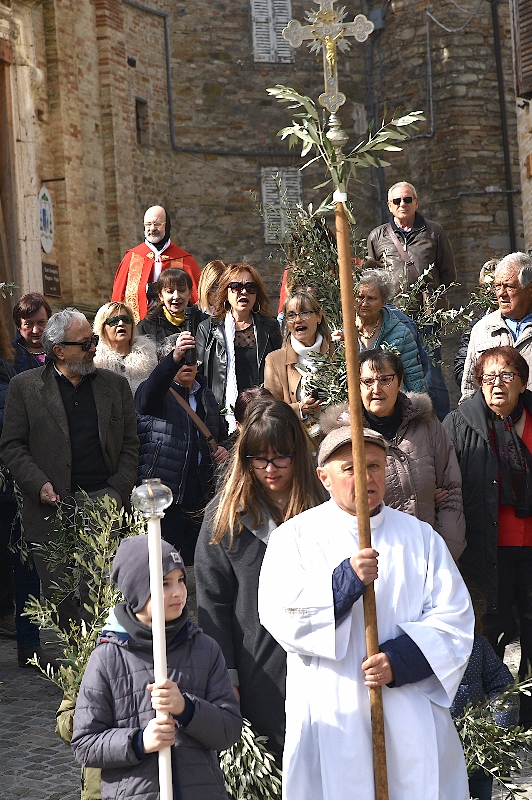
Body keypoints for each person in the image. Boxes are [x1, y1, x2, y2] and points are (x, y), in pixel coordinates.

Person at [258, 423, 474, 800]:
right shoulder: (294, 538)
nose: (366, 477)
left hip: (409, 712)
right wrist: (344, 583)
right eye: (351, 468)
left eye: (374, 466)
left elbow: (454, 620)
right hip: (332, 709)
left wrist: (400, 660)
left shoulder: (420, 538)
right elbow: (280, 614)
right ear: (324, 477)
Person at [195, 400, 327, 761]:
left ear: (298, 454)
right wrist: (226, 677)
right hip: (257, 667)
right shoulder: (226, 516)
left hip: (321, 662)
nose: (270, 469)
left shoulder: (325, 506)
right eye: (259, 459)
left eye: (281, 458)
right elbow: (212, 604)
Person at [71, 535, 242, 800]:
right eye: (164, 583)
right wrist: (139, 742)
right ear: (138, 591)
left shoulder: (205, 649)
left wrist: (186, 709)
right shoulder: (108, 658)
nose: (179, 592)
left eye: (181, 580)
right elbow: (85, 744)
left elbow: (229, 730)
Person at [0, 308, 139, 629]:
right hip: (51, 508)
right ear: (59, 350)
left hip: (102, 502)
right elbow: (12, 446)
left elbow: (131, 444)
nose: (93, 348)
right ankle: (75, 650)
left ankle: (99, 652)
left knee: (100, 595)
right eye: (85, 343)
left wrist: (116, 491)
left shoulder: (115, 387)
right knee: (59, 596)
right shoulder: (25, 387)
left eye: (93, 340)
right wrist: (38, 484)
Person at [444, 345, 532, 728]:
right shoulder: (459, 424)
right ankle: (494, 725)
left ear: (523, 382)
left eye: (507, 375)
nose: (497, 383)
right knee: (490, 636)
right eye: (488, 376)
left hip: (530, 551)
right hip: (485, 551)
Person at [357, 348, 466, 560]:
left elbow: (451, 492)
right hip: (379, 563)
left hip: (431, 554)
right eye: (367, 382)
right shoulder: (347, 438)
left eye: (385, 379)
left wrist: (443, 553)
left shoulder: (426, 424)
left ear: (400, 382)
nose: (376, 389)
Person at [135, 335, 229, 565]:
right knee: (163, 565)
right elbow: (147, 397)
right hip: (164, 495)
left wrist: (224, 449)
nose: (187, 364)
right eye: (180, 359)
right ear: (165, 363)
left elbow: (222, 435)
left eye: (191, 358)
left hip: (201, 495)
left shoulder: (206, 395)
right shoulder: (154, 391)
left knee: (198, 563)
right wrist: (173, 358)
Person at [367, 181, 456, 420]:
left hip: (427, 318)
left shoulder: (435, 232)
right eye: (397, 201)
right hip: (392, 319)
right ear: (389, 205)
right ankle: (402, 423)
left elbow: (448, 275)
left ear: (416, 202)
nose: (402, 204)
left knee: (432, 376)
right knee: (392, 373)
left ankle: (441, 426)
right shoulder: (377, 236)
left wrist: (434, 300)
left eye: (407, 199)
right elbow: (372, 278)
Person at [196, 263, 282, 432]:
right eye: (236, 286)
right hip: (220, 418)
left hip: (262, 417)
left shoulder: (270, 327)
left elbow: (280, 371)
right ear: (225, 292)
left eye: (250, 287)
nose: (244, 292)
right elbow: (199, 377)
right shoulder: (207, 329)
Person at [450, 589, 518, 800]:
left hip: (476, 746)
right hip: (438, 748)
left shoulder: (477, 646)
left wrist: (497, 729)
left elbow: (503, 685)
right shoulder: (418, 652)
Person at [460, 252, 532, 401]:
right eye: (497, 286)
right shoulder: (482, 329)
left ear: (530, 290)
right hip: (493, 416)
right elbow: (469, 389)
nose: (501, 293)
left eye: (509, 287)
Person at [112, 205, 200, 324]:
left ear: (167, 226)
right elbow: (118, 298)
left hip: (176, 327)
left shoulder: (184, 260)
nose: (152, 228)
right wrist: (146, 290)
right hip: (139, 327)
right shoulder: (131, 258)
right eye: (148, 224)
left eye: (157, 224)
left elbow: (196, 299)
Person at [264, 290, 335, 433]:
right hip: (297, 441)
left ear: (319, 316)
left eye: (304, 313)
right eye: (291, 315)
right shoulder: (275, 361)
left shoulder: (338, 353)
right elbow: (270, 410)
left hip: (334, 439)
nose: (297, 320)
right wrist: (300, 408)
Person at [355, 268, 427, 393]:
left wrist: (419, 405)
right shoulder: (343, 330)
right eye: (360, 297)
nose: (364, 303)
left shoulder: (401, 334)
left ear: (383, 302)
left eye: (371, 298)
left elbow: (414, 380)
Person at [137, 267, 203, 357]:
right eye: (170, 291)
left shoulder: (204, 323)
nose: (176, 296)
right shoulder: (146, 327)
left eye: (181, 290)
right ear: (160, 296)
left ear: (190, 293)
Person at [93, 301, 157, 394]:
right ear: (102, 328)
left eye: (126, 319)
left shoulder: (150, 357)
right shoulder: (94, 362)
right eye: (114, 320)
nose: (121, 323)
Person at [12, 292, 53, 372]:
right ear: (18, 325)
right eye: (28, 324)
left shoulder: (61, 349)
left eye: (41, 323)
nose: (35, 330)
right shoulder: (10, 355)